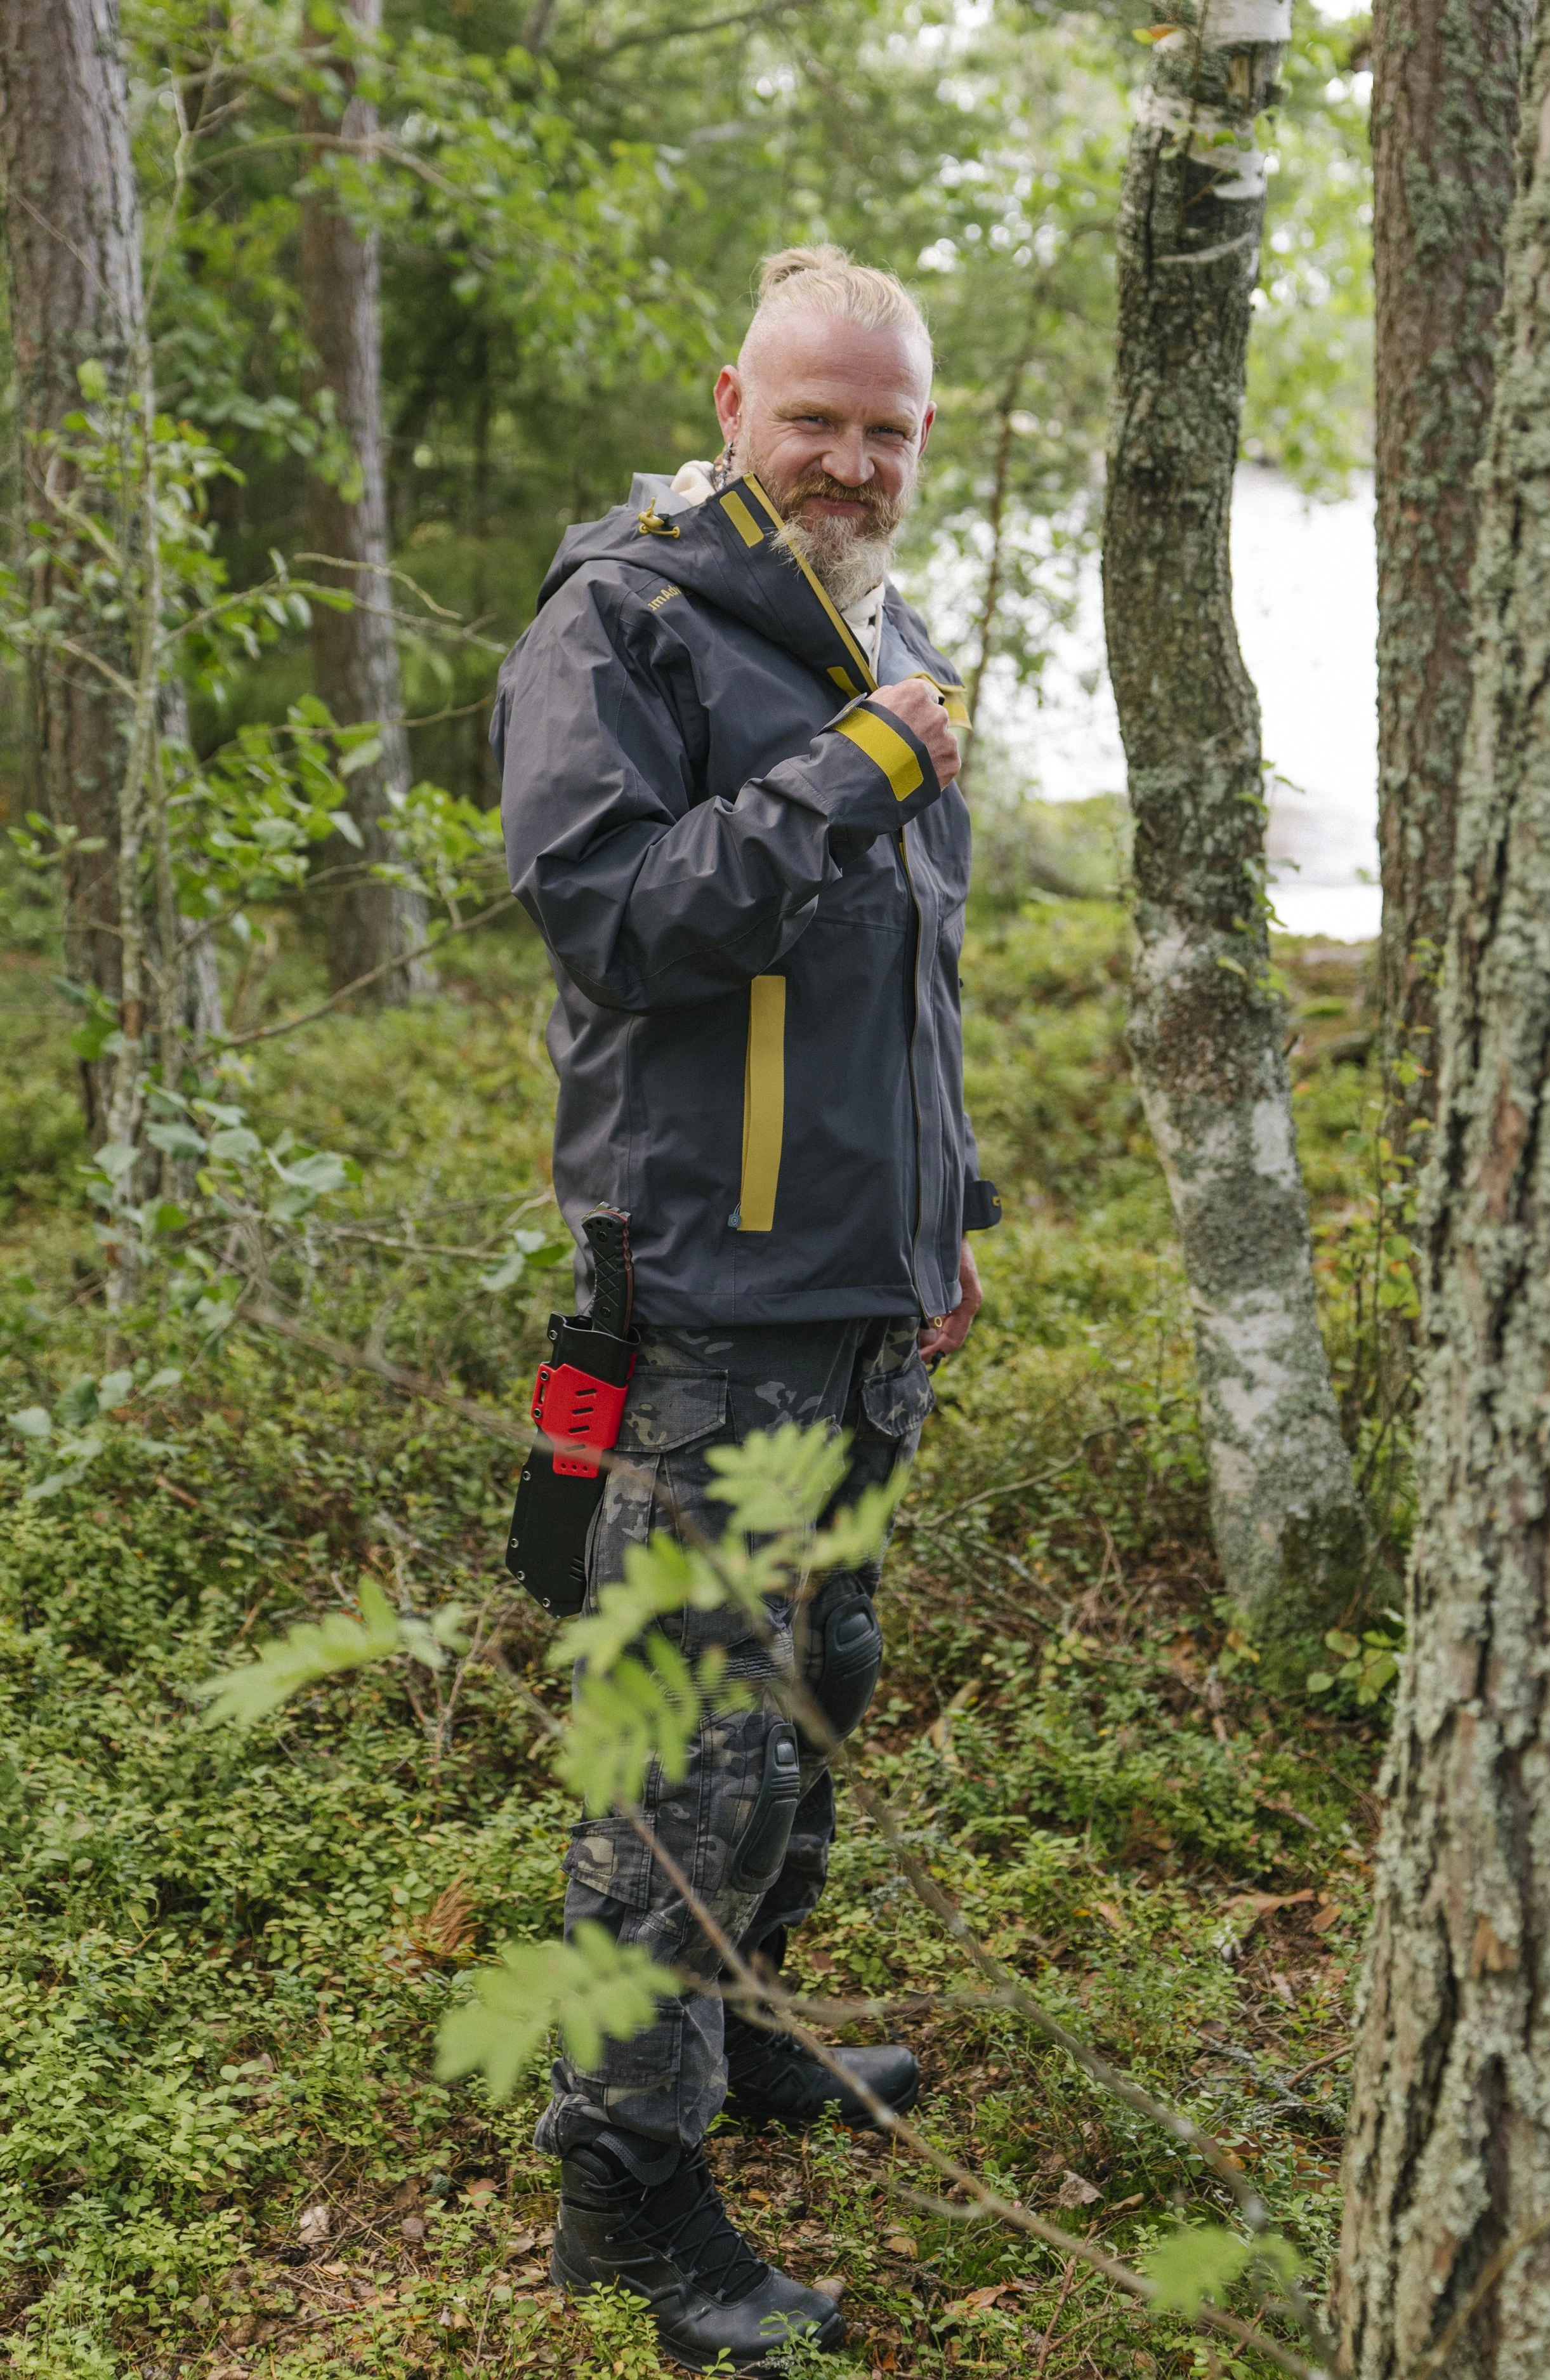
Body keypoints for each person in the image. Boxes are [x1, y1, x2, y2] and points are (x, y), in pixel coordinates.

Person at [491, 244, 1000, 2374]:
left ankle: (750, 2035)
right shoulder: (619, 618)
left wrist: (943, 1221)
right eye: (817, 418)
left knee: (821, 1693)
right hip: (700, 1295)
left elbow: (906, 989)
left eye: (887, 427)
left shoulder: (881, 636)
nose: (852, 460)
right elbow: (611, 915)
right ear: (731, 403)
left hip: (854, 1295)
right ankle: (625, 2188)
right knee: (685, 1766)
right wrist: (856, 767)